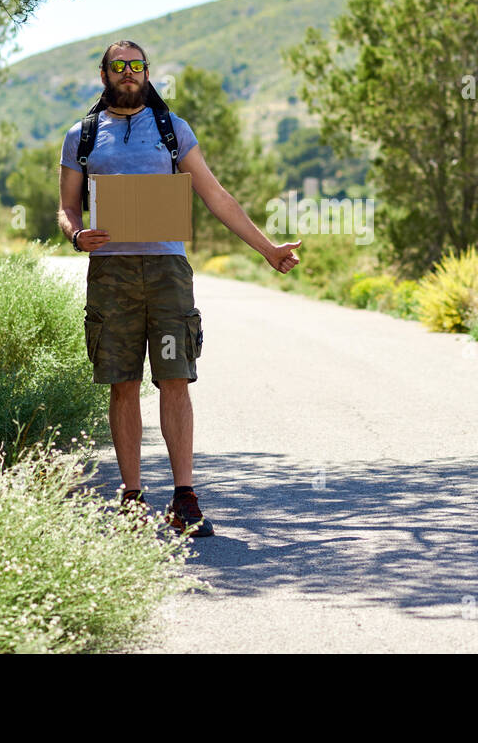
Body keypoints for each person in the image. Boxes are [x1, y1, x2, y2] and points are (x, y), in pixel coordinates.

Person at [58, 40, 301, 537]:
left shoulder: (173, 129)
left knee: (175, 377)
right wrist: (77, 235)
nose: (129, 73)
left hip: (169, 272)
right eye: (119, 66)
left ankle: (184, 498)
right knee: (122, 384)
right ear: (103, 74)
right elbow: (66, 208)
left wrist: (267, 249)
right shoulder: (81, 136)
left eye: (137, 66)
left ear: (147, 72)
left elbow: (217, 196)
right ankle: (131, 499)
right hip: (111, 274)